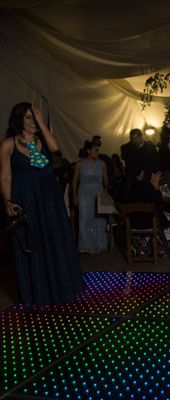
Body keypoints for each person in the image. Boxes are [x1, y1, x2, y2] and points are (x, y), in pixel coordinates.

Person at [0, 102, 83, 305]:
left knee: (55, 241)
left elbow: (56, 148)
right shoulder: (8, 144)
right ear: (19, 119)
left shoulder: (43, 141)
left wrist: (42, 123)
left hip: (49, 201)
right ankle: (37, 294)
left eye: (34, 117)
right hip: (26, 201)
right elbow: (5, 177)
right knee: (32, 245)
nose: (33, 121)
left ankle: (62, 290)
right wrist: (7, 201)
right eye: (29, 117)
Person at [72, 140, 109, 254]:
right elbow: (74, 181)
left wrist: (105, 191)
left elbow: (106, 181)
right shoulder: (79, 164)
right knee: (84, 218)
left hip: (98, 192)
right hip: (83, 193)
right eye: (95, 150)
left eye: (98, 150)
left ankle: (99, 244)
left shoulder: (102, 164)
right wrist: (74, 195)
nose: (98, 152)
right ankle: (86, 245)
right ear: (88, 151)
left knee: (99, 219)